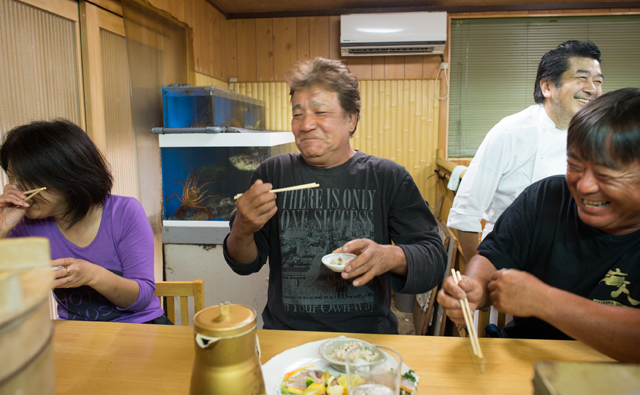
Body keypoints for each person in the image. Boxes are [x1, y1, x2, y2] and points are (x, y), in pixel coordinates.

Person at [224, 57, 447, 334]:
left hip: (366, 340)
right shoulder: (273, 173)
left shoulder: (386, 177)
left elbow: (434, 260)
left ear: (351, 119)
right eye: (297, 114)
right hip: (287, 337)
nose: (305, 125)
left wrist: (389, 256)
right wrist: (242, 230)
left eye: (320, 112)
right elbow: (243, 264)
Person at [437, 88, 640, 363]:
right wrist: (473, 288)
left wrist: (545, 300)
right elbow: (492, 258)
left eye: (606, 174)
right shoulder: (546, 197)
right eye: (574, 165)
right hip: (526, 362)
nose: (584, 185)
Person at [448, 40, 604, 262]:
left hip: (569, 260)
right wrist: (480, 278)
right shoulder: (511, 131)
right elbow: (466, 213)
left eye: (597, 81)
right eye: (581, 78)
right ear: (547, 87)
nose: (592, 89)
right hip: (509, 256)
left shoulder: (596, 137)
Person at [0, 120, 169, 324]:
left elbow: (140, 300)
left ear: (68, 177)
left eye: (26, 179)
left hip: (140, 327)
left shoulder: (124, 213)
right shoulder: (26, 224)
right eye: (11, 178)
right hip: (78, 334)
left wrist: (91, 275)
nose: (17, 189)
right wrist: (2, 228)